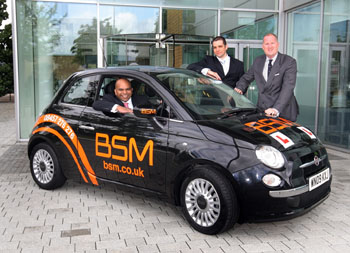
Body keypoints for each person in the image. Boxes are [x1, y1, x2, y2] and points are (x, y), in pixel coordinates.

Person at [235, 33, 299, 122]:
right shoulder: (258, 61)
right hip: (263, 110)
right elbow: (247, 77)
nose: (270, 46)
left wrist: (276, 109)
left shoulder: (289, 62)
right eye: (267, 44)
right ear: (263, 47)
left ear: (277, 44)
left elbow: (288, 88)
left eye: (272, 43)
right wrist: (239, 88)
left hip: (283, 111)